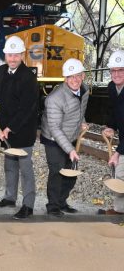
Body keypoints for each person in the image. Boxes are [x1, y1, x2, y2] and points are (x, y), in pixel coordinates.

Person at [0, 35, 38, 220]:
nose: (13, 59)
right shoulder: (1, 71)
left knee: (25, 169)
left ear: (22, 55)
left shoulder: (28, 78)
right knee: (10, 165)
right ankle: (10, 197)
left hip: (22, 131)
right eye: (10, 55)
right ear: (5, 55)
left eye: (16, 55)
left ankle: (28, 205)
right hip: (4, 129)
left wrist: (10, 128)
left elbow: (28, 109)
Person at [41, 58, 89, 217]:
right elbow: (55, 128)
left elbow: (80, 109)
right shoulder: (54, 98)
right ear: (65, 78)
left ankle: (62, 202)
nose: (75, 80)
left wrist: (82, 121)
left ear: (83, 76)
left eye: (78, 76)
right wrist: (70, 150)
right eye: (70, 77)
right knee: (57, 172)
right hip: (54, 140)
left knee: (71, 173)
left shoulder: (85, 90)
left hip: (72, 136)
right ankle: (53, 206)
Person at [99, 50, 124, 215]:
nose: (116, 74)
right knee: (120, 177)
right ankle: (120, 210)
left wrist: (117, 152)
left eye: (121, 70)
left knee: (120, 173)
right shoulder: (112, 87)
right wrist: (111, 126)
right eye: (113, 70)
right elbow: (114, 111)